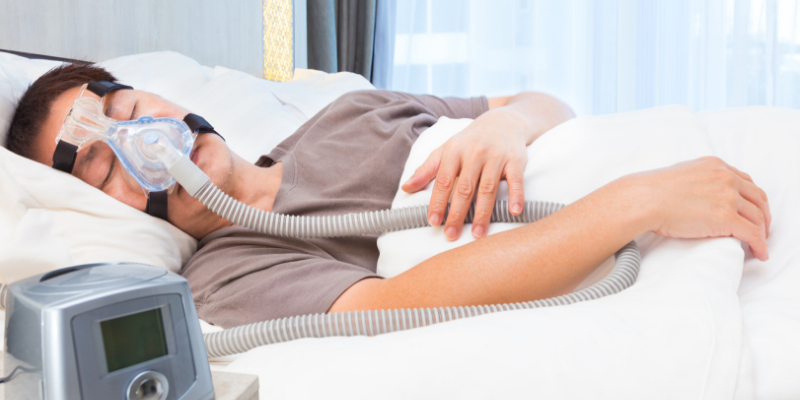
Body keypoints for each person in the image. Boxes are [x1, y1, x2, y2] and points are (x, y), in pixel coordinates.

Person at [6, 63, 772, 328]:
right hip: (657, 218)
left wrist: (503, 125)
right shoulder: (224, 279)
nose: (147, 143)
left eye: (132, 113)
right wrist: (632, 204)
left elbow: (548, 105)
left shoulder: (344, 114)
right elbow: (397, 302)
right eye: (105, 168)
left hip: (715, 151)